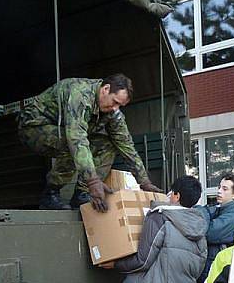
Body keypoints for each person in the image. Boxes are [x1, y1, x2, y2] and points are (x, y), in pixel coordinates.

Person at [18, 74, 161, 210]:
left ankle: (81, 194)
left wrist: (144, 182)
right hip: (33, 127)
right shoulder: (80, 94)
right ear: (106, 89)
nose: (115, 108)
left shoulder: (112, 112)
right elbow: (76, 138)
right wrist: (93, 181)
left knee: (108, 143)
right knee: (72, 144)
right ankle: (50, 194)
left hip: (63, 129)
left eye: (120, 106)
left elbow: (126, 145)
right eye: (115, 102)